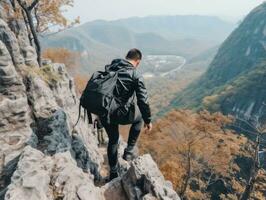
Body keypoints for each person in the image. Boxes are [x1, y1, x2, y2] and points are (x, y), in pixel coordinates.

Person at [100, 48, 152, 181]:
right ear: (138, 62)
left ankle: (113, 172)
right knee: (139, 118)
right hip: (120, 113)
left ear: (126, 57)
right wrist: (148, 120)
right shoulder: (135, 75)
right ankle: (128, 152)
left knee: (113, 140)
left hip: (104, 111)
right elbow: (143, 101)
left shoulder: (110, 67)